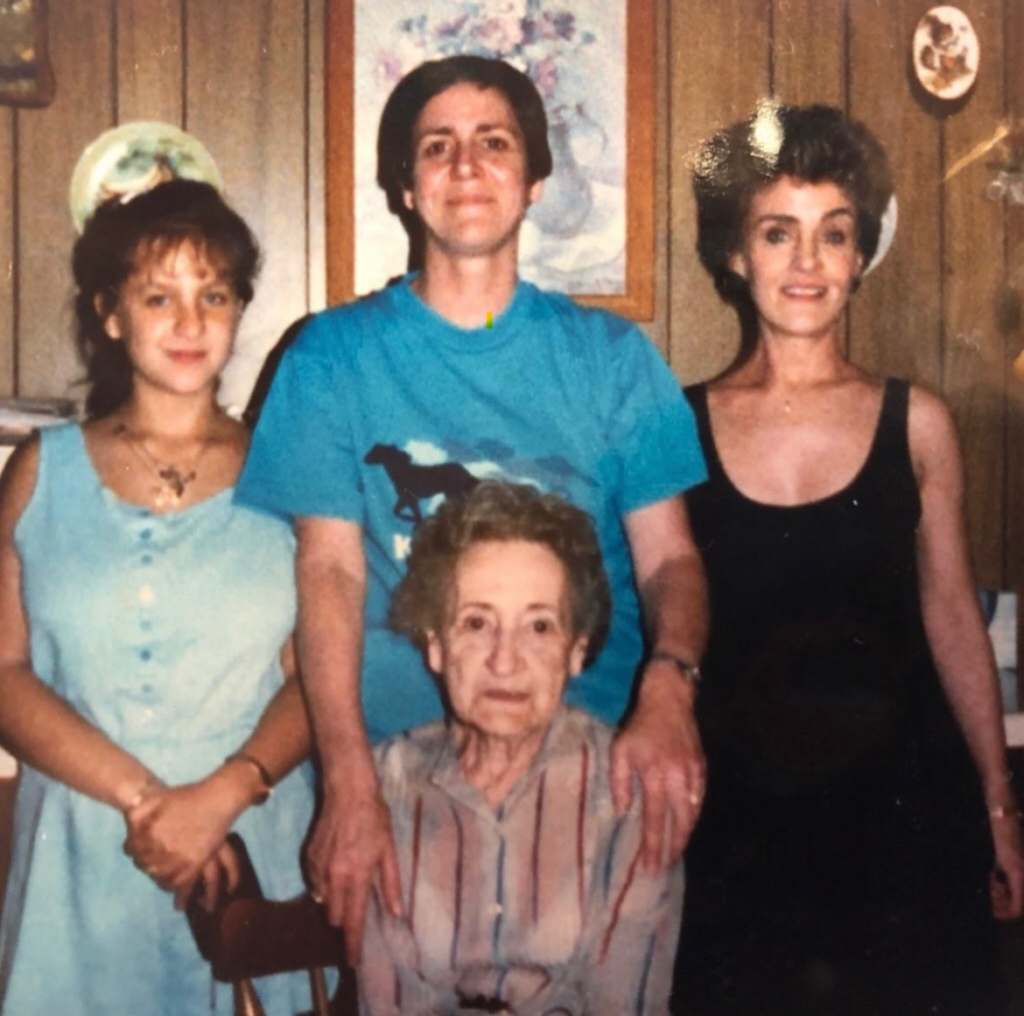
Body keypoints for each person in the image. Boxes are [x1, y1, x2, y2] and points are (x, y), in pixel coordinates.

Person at [237, 54, 708, 958]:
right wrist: (347, 779)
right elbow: (329, 573)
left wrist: (670, 685)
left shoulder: (614, 360)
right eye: (437, 147)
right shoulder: (331, 358)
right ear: (405, 188)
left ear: (534, 183)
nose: (465, 166)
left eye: (494, 143)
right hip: (397, 791)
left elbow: (671, 562)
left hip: (590, 783)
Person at [672, 103, 1024, 1016]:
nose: (807, 262)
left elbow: (954, 620)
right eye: (777, 233)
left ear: (860, 254)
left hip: (903, 816)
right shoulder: (677, 427)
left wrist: (998, 807)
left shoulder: (919, 424)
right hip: (743, 829)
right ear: (734, 253)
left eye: (833, 234)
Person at [0, 177, 316, 1016]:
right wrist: (149, 803)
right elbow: (5, 673)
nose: (189, 322)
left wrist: (220, 798)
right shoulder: (38, 471)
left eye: (213, 295)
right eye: (158, 297)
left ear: (240, 311)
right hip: (81, 854)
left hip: (248, 856)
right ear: (110, 314)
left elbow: (318, 677)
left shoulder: (291, 475)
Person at [359, 481, 684, 1014]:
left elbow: (626, 1003)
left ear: (576, 650)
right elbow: (388, 1002)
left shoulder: (626, 793)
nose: (504, 661)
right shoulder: (383, 785)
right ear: (436, 645)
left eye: (538, 627)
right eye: (476, 623)